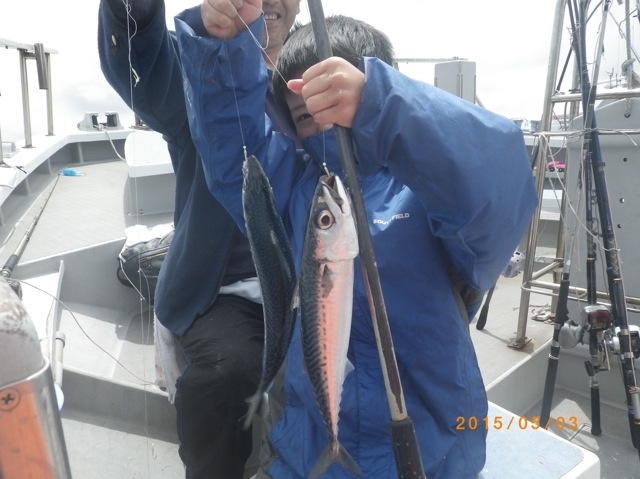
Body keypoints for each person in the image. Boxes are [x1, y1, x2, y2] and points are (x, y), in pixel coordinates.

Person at [175, 2, 538, 477]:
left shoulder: (430, 194)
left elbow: (497, 181)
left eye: (339, 102)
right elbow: (231, 150)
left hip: (432, 453)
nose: (323, 124)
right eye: (305, 115)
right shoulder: (301, 192)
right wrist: (222, 45)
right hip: (307, 452)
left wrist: (382, 105)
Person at [97, 0, 300, 477]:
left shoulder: (321, 63)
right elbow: (144, 66)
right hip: (221, 291)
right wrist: (134, 12)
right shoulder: (200, 66)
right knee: (224, 374)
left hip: (313, 280)